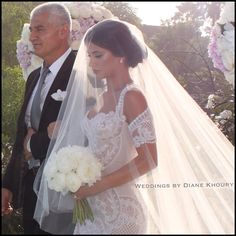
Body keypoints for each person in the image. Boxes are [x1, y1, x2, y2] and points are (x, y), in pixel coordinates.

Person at [33, 19, 234, 234]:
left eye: (98, 55)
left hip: (121, 212)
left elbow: (149, 159)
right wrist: (74, 172)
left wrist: (97, 186)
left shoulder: (131, 97)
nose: (91, 63)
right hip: (92, 211)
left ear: (121, 55)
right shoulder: (100, 98)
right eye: (89, 56)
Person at [2, 2, 77, 234]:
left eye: (40, 29)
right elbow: (20, 135)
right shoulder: (34, 77)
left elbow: (82, 132)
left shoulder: (82, 74)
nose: (32, 36)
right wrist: (7, 184)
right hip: (31, 193)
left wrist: (34, 144)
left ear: (63, 31)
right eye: (32, 29)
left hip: (65, 198)